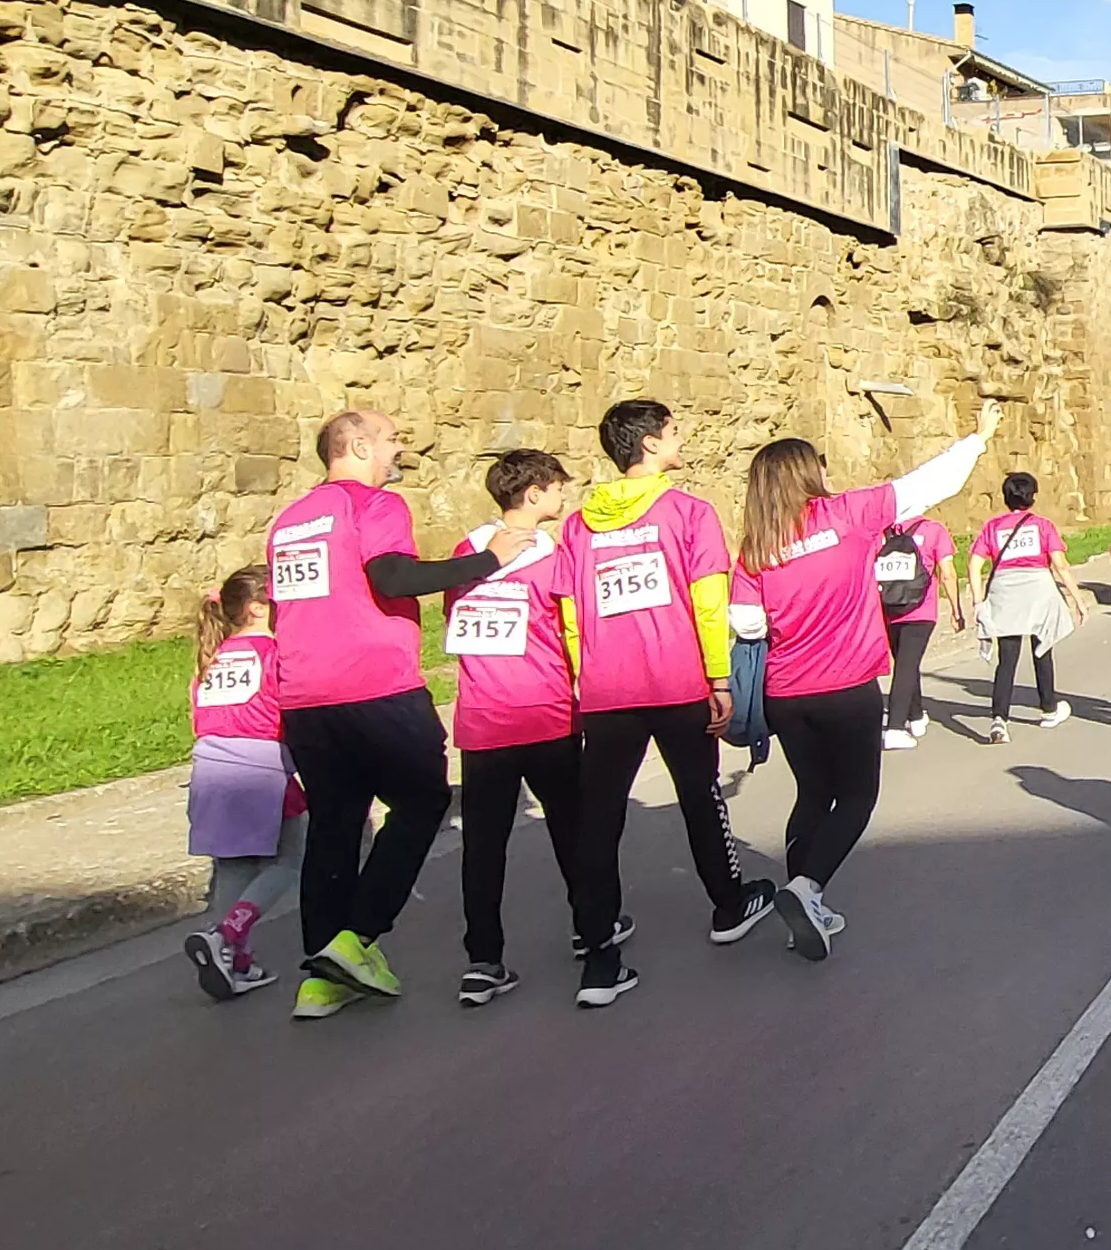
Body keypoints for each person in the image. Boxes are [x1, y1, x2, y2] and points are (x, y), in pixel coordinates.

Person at [265, 410, 510, 1018]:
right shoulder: (372, 504)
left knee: (335, 824)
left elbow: (284, 611)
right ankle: (358, 937)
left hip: (304, 694)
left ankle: (321, 983)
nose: (401, 447)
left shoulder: (290, 520)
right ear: (356, 445)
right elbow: (393, 576)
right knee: (424, 799)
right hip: (374, 685)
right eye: (393, 438)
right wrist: (489, 561)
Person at [732, 411, 999, 959]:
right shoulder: (849, 513)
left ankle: (802, 902)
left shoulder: (757, 548)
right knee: (857, 796)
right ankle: (806, 890)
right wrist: (976, 439)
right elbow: (931, 483)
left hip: (785, 693)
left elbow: (747, 624)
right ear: (808, 473)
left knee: (812, 793)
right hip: (846, 685)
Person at [567, 398, 772, 1008]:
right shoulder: (688, 512)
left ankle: (599, 956)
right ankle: (728, 905)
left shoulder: (579, 524)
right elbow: (708, 602)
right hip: (676, 682)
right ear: (651, 443)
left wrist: (586, 679)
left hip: (606, 692)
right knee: (701, 797)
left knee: (598, 820)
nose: (681, 438)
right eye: (674, 431)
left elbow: (572, 614)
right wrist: (720, 677)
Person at [446, 450, 595, 1009]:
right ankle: (590, 928)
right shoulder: (553, 556)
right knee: (571, 830)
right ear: (533, 493)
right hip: (546, 712)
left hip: (482, 720)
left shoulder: (467, 551)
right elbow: (573, 627)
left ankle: (482, 960)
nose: (563, 495)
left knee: (483, 847)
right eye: (558, 487)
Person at [182, 565, 302, 1003]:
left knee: (232, 866)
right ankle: (224, 934)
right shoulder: (276, 654)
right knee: (289, 862)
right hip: (262, 768)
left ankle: (236, 962)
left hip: (209, 769)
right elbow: (292, 714)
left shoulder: (209, 660)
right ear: (257, 608)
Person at [973, 471, 1092, 741]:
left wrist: (978, 600)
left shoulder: (993, 527)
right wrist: (1078, 600)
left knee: (1007, 658)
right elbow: (1060, 565)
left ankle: (999, 719)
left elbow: (974, 563)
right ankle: (1048, 708)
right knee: (1043, 647)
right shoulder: (1042, 525)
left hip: (1005, 591)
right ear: (1033, 497)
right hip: (1038, 588)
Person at [874, 495, 961, 752]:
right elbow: (947, 572)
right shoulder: (933, 530)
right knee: (906, 664)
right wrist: (956, 608)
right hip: (921, 610)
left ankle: (916, 715)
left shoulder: (883, 534)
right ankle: (895, 728)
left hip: (889, 608)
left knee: (905, 661)